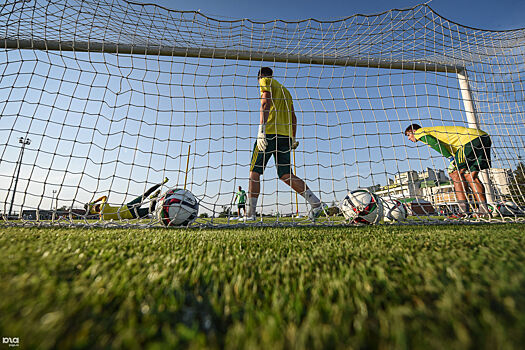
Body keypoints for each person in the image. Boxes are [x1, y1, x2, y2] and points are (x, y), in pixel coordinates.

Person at [247, 67, 326, 221]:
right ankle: (316, 203)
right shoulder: (286, 91)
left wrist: (261, 130)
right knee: (285, 174)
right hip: (285, 137)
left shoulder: (265, 81)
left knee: (254, 172)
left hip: (269, 133)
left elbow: (265, 103)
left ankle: (250, 215)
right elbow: (293, 116)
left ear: (260, 76)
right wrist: (293, 138)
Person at [404, 124, 492, 216]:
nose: (409, 139)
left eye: (408, 135)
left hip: (468, 141)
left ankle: (463, 211)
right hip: (483, 137)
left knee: (455, 174)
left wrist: (449, 157)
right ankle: (484, 210)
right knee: (471, 176)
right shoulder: (437, 132)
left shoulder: (420, 132)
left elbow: (434, 143)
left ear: (414, 131)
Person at [85, 177, 168, 220]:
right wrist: (94, 201)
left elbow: (95, 212)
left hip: (132, 215)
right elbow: (104, 197)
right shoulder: (103, 206)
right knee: (146, 194)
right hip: (128, 206)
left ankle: (154, 198)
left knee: (151, 209)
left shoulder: (102, 217)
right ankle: (162, 183)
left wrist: (92, 208)